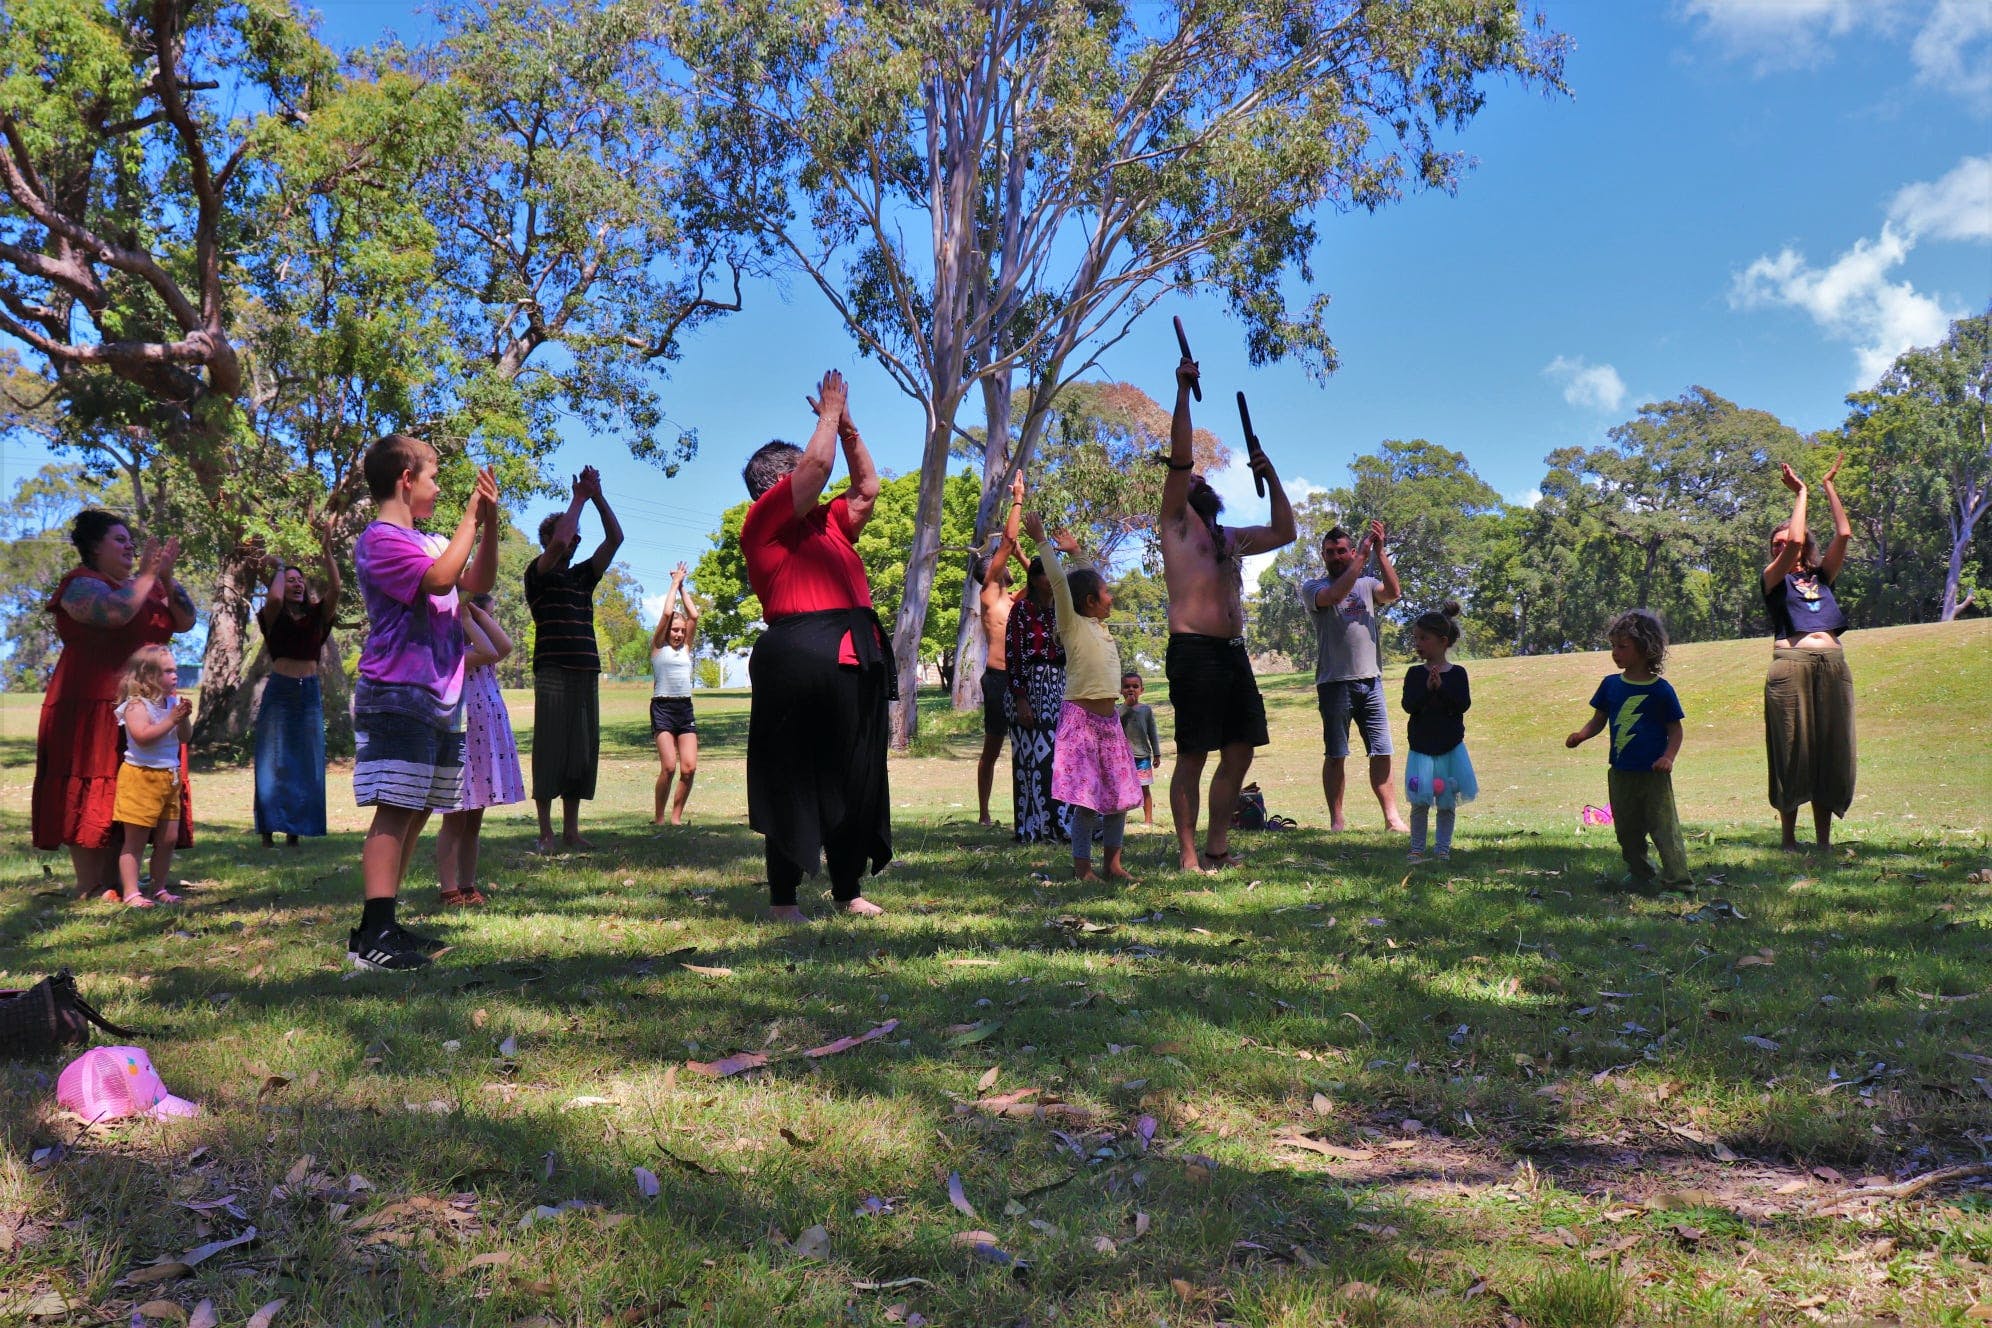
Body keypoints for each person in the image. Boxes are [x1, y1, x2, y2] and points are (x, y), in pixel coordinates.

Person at [740, 369, 891, 922]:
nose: (813, 479)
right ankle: (783, 900)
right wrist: (828, 415)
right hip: (798, 658)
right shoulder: (764, 523)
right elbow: (818, 467)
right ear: (775, 484)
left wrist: (848, 428)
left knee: (854, 773)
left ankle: (847, 889)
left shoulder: (829, 524)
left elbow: (867, 487)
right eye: (796, 471)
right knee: (793, 776)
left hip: (854, 653)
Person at [348, 434, 500, 970]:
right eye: (433, 475)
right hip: (396, 692)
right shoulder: (381, 540)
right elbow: (439, 582)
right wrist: (469, 518)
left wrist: (489, 525)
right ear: (405, 480)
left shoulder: (433, 539)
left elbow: (474, 579)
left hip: (438, 696)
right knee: (395, 809)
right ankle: (372, 935)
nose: (438, 486)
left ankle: (383, 924)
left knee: (414, 809)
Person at [1159, 355, 1293, 872]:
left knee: (1239, 752)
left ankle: (1218, 849)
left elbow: (1285, 532)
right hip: (1193, 652)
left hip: (1232, 654)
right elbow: (1180, 458)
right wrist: (1181, 391)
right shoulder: (1175, 524)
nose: (1197, 481)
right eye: (1191, 479)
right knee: (1193, 755)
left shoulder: (1228, 538)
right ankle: (1189, 856)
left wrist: (1272, 476)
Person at [33, 510, 198, 897]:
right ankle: (91, 883)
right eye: (119, 540)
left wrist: (166, 578)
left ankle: (124, 879)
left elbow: (187, 621)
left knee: (138, 783)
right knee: (96, 778)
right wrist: (145, 575)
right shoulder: (80, 585)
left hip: (150, 699)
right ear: (94, 546)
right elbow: (113, 613)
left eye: (130, 540)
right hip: (90, 700)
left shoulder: (151, 586)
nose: (129, 546)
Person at [1024, 514, 1142, 881]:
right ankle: (1082, 869)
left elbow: (1085, 580)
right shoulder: (1072, 625)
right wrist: (1043, 541)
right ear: (1091, 601)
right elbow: (1063, 585)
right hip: (1081, 722)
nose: (1112, 597)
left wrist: (1077, 552)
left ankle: (1113, 864)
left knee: (1119, 797)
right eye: (1106, 594)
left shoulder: (1098, 623)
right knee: (1087, 801)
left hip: (1109, 725)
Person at [525, 464, 623, 853]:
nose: (571, 542)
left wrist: (596, 495)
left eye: (574, 538)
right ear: (546, 539)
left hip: (585, 668)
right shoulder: (538, 573)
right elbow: (560, 542)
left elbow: (615, 538)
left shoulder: (583, 576)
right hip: (552, 670)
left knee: (580, 751)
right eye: (562, 537)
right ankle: (546, 832)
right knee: (550, 747)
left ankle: (570, 831)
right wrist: (578, 497)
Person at [1763, 454, 1855, 852]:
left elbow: (1845, 534)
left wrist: (1827, 486)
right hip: (1791, 666)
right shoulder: (1771, 579)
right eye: (1776, 544)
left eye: (1786, 541)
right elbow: (1797, 540)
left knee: (1830, 749)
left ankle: (1823, 842)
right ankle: (1788, 840)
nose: (1783, 546)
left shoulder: (1821, 575)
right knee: (1791, 748)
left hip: (1833, 664)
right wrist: (1800, 493)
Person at [1565, 609, 1692, 893]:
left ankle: (1680, 883)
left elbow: (1676, 730)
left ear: (1646, 648)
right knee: (1627, 831)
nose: (1615, 653)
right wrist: (1581, 736)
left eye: (1623, 646)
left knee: (1664, 830)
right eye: (1613, 646)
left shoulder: (1661, 690)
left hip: (1653, 776)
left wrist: (1668, 758)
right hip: (1621, 773)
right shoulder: (1611, 686)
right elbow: (1599, 720)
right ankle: (1640, 874)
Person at [1300, 521, 1409, 832]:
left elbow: (1393, 592)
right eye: (1329, 552)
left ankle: (1392, 818)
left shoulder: (1366, 585)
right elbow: (1334, 596)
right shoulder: (1313, 588)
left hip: (1371, 681)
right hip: (1334, 683)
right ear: (1323, 555)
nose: (1335, 556)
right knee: (1336, 753)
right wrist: (1361, 556)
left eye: (1341, 551)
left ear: (1349, 552)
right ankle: (1337, 821)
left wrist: (1380, 552)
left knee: (1382, 750)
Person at [252, 530, 340, 848]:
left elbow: (336, 589)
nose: (296, 584)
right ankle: (268, 829)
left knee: (307, 759)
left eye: (299, 580)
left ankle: (296, 829)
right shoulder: (271, 616)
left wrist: (328, 552)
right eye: (291, 580)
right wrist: (279, 566)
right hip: (280, 692)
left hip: (309, 692)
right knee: (273, 759)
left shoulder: (317, 616)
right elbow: (274, 597)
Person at [435, 595, 523, 907]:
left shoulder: (477, 645)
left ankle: (468, 884)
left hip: (483, 740)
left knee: (474, 820)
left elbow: (505, 645)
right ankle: (448, 889)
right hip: (461, 735)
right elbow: (492, 650)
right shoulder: (450, 653)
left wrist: (472, 610)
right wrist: (469, 615)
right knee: (455, 817)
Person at [112, 644, 193, 907]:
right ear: (148, 676)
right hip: (141, 777)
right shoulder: (136, 706)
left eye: (175, 670)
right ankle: (132, 892)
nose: (175, 676)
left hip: (169, 777)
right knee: (134, 841)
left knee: (168, 839)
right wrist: (171, 719)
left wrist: (183, 718)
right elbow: (143, 738)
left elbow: (185, 738)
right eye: (168, 671)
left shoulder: (172, 703)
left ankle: (159, 888)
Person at [1400, 602, 1475, 863]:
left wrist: (1441, 689)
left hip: (1450, 750)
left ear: (1443, 641)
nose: (1418, 643)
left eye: (1424, 638)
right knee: (1419, 803)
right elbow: (1409, 705)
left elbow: (1462, 705)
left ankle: (1442, 849)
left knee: (1446, 802)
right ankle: (1417, 848)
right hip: (1421, 750)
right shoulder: (1413, 674)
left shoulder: (1457, 674)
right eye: (1415, 638)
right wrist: (1428, 689)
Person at [974, 472, 1027, 826]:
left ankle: (1028, 809)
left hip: (1022, 680)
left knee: (1025, 748)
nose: (1004, 560)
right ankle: (984, 813)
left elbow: (1048, 583)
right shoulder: (990, 594)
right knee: (993, 747)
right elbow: (1008, 538)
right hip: (997, 679)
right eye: (1001, 561)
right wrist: (1018, 499)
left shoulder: (1013, 599)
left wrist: (1023, 554)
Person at [1005, 548, 1068, 844]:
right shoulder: (1021, 610)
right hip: (1029, 686)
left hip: (1059, 686)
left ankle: (1060, 823)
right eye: (1046, 574)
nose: (1052, 579)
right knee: (1031, 758)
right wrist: (1021, 698)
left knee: (1057, 757)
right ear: (1034, 578)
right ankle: (1034, 826)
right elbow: (1014, 654)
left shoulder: (1063, 610)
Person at [649, 562, 701, 826]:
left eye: (681, 631)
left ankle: (676, 818)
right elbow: (669, 611)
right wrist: (673, 583)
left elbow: (693, 616)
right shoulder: (658, 647)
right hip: (662, 708)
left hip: (685, 708)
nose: (679, 634)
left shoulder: (686, 649)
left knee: (689, 768)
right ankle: (659, 818)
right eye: (675, 630)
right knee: (669, 767)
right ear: (667, 630)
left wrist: (683, 587)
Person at [1118, 671, 1162, 826]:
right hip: (1123, 758)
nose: (1131, 689)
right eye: (1126, 686)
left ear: (1142, 690)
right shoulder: (1118, 709)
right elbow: (1115, 723)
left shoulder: (1146, 710)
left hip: (1142, 757)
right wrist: (1126, 707)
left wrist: (1157, 754)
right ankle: (1119, 821)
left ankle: (1148, 820)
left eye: (1135, 686)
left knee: (1145, 788)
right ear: (1120, 690)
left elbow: (1152, 732)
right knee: (1122, 789)